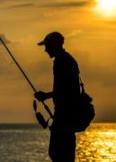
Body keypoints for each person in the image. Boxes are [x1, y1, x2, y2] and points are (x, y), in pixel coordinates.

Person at [35, 31, 80, 162]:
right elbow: (66, 89)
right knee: (61, 154)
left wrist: (46, 96)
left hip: (64, 117)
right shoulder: (67, 59)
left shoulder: (61, 61)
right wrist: (47, 96)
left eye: (47, 46)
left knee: (57, 153)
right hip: (67, 117)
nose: (45, 49)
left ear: (54, 45)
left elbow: (66, 90)